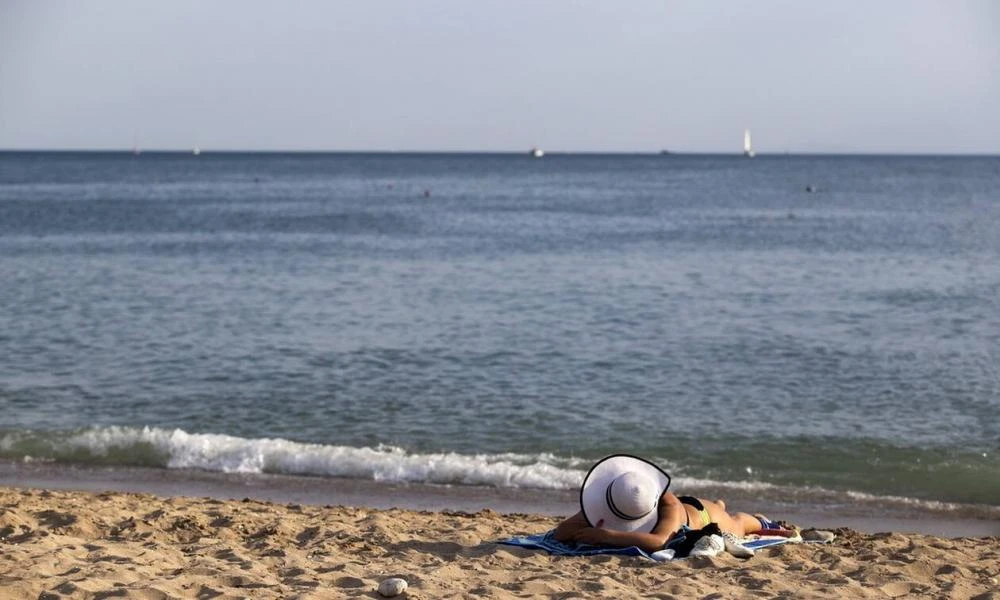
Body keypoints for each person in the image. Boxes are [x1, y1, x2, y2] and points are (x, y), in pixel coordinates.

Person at [553, 454, 788, 554]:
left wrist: (606, 535)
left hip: (703, 517)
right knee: (720, 507)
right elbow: (561, 532)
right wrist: (585, 525)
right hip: (689, 506)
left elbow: (658, 541)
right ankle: (720, 503)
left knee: (736, 523)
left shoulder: (670, 508)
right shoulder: (616, 496)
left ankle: (758, 518)